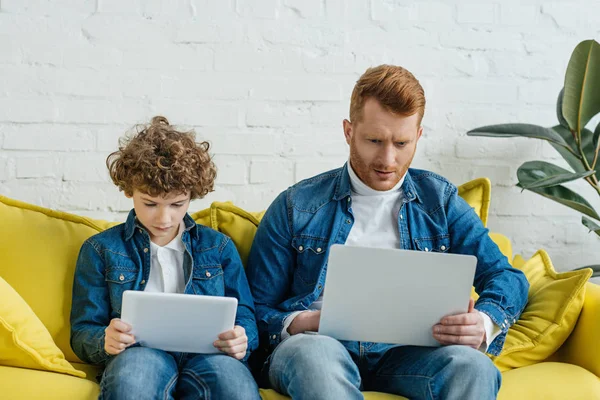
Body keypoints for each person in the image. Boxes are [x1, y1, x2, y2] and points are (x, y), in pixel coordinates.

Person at [246, 65, 530, 400]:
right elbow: (256, 310)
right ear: (349, 131)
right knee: (314, 357)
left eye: (401, 142)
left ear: (418, 137)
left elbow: (506, 276)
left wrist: (484, 322)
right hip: (318, 348)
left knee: (474, 367)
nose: (388, 159)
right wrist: (305, 322)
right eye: (375, 141)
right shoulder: (297, 205)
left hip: (408, 355)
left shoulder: (440, 201)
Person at [70, 116, 261, 400]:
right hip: (140, 353)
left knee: (235, 388)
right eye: (150, 204)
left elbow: (245, 315)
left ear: (191, 196)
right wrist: (105, 340)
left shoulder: (218, 247)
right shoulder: (100, 249)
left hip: (209, 355)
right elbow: (83, 331)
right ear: (128, 191)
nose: (164, 217)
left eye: (177, 204)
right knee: (132, 384)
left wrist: (243, 338)